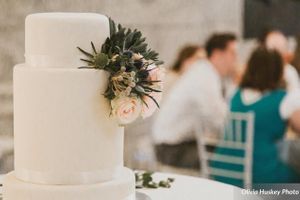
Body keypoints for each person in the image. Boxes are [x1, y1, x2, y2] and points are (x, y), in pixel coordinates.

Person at [212, 47, 300, 187]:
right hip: (260, 176)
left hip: (223, 171)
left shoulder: (235, 95)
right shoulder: (282, 100)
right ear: (278, 71)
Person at [152, 33, 238, 169]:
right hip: (171, 149)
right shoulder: (205, 77)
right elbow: (221, 121)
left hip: (175, 143)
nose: (236, 59)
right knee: (232, 158)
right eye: (232, 53)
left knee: (228, 152)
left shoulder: (205, 72)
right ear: (217, 54)